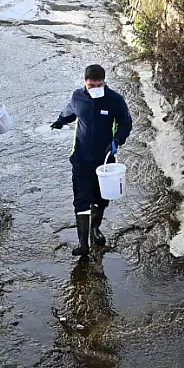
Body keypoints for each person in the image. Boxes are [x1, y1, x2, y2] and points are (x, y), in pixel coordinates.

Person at [50, 64, 132, 257]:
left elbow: (126, 123)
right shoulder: (78, 96)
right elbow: (71, 110)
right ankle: (83, 244)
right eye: (90, 85)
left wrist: (117, 140)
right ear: (85, 83)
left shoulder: (115, 100)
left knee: (101, 200)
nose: (94, 88)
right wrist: (61, 120)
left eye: (98, 84)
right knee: (81, 201)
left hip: (105, 161)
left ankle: (95, 228)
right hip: (81, 159)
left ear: (104, 82)